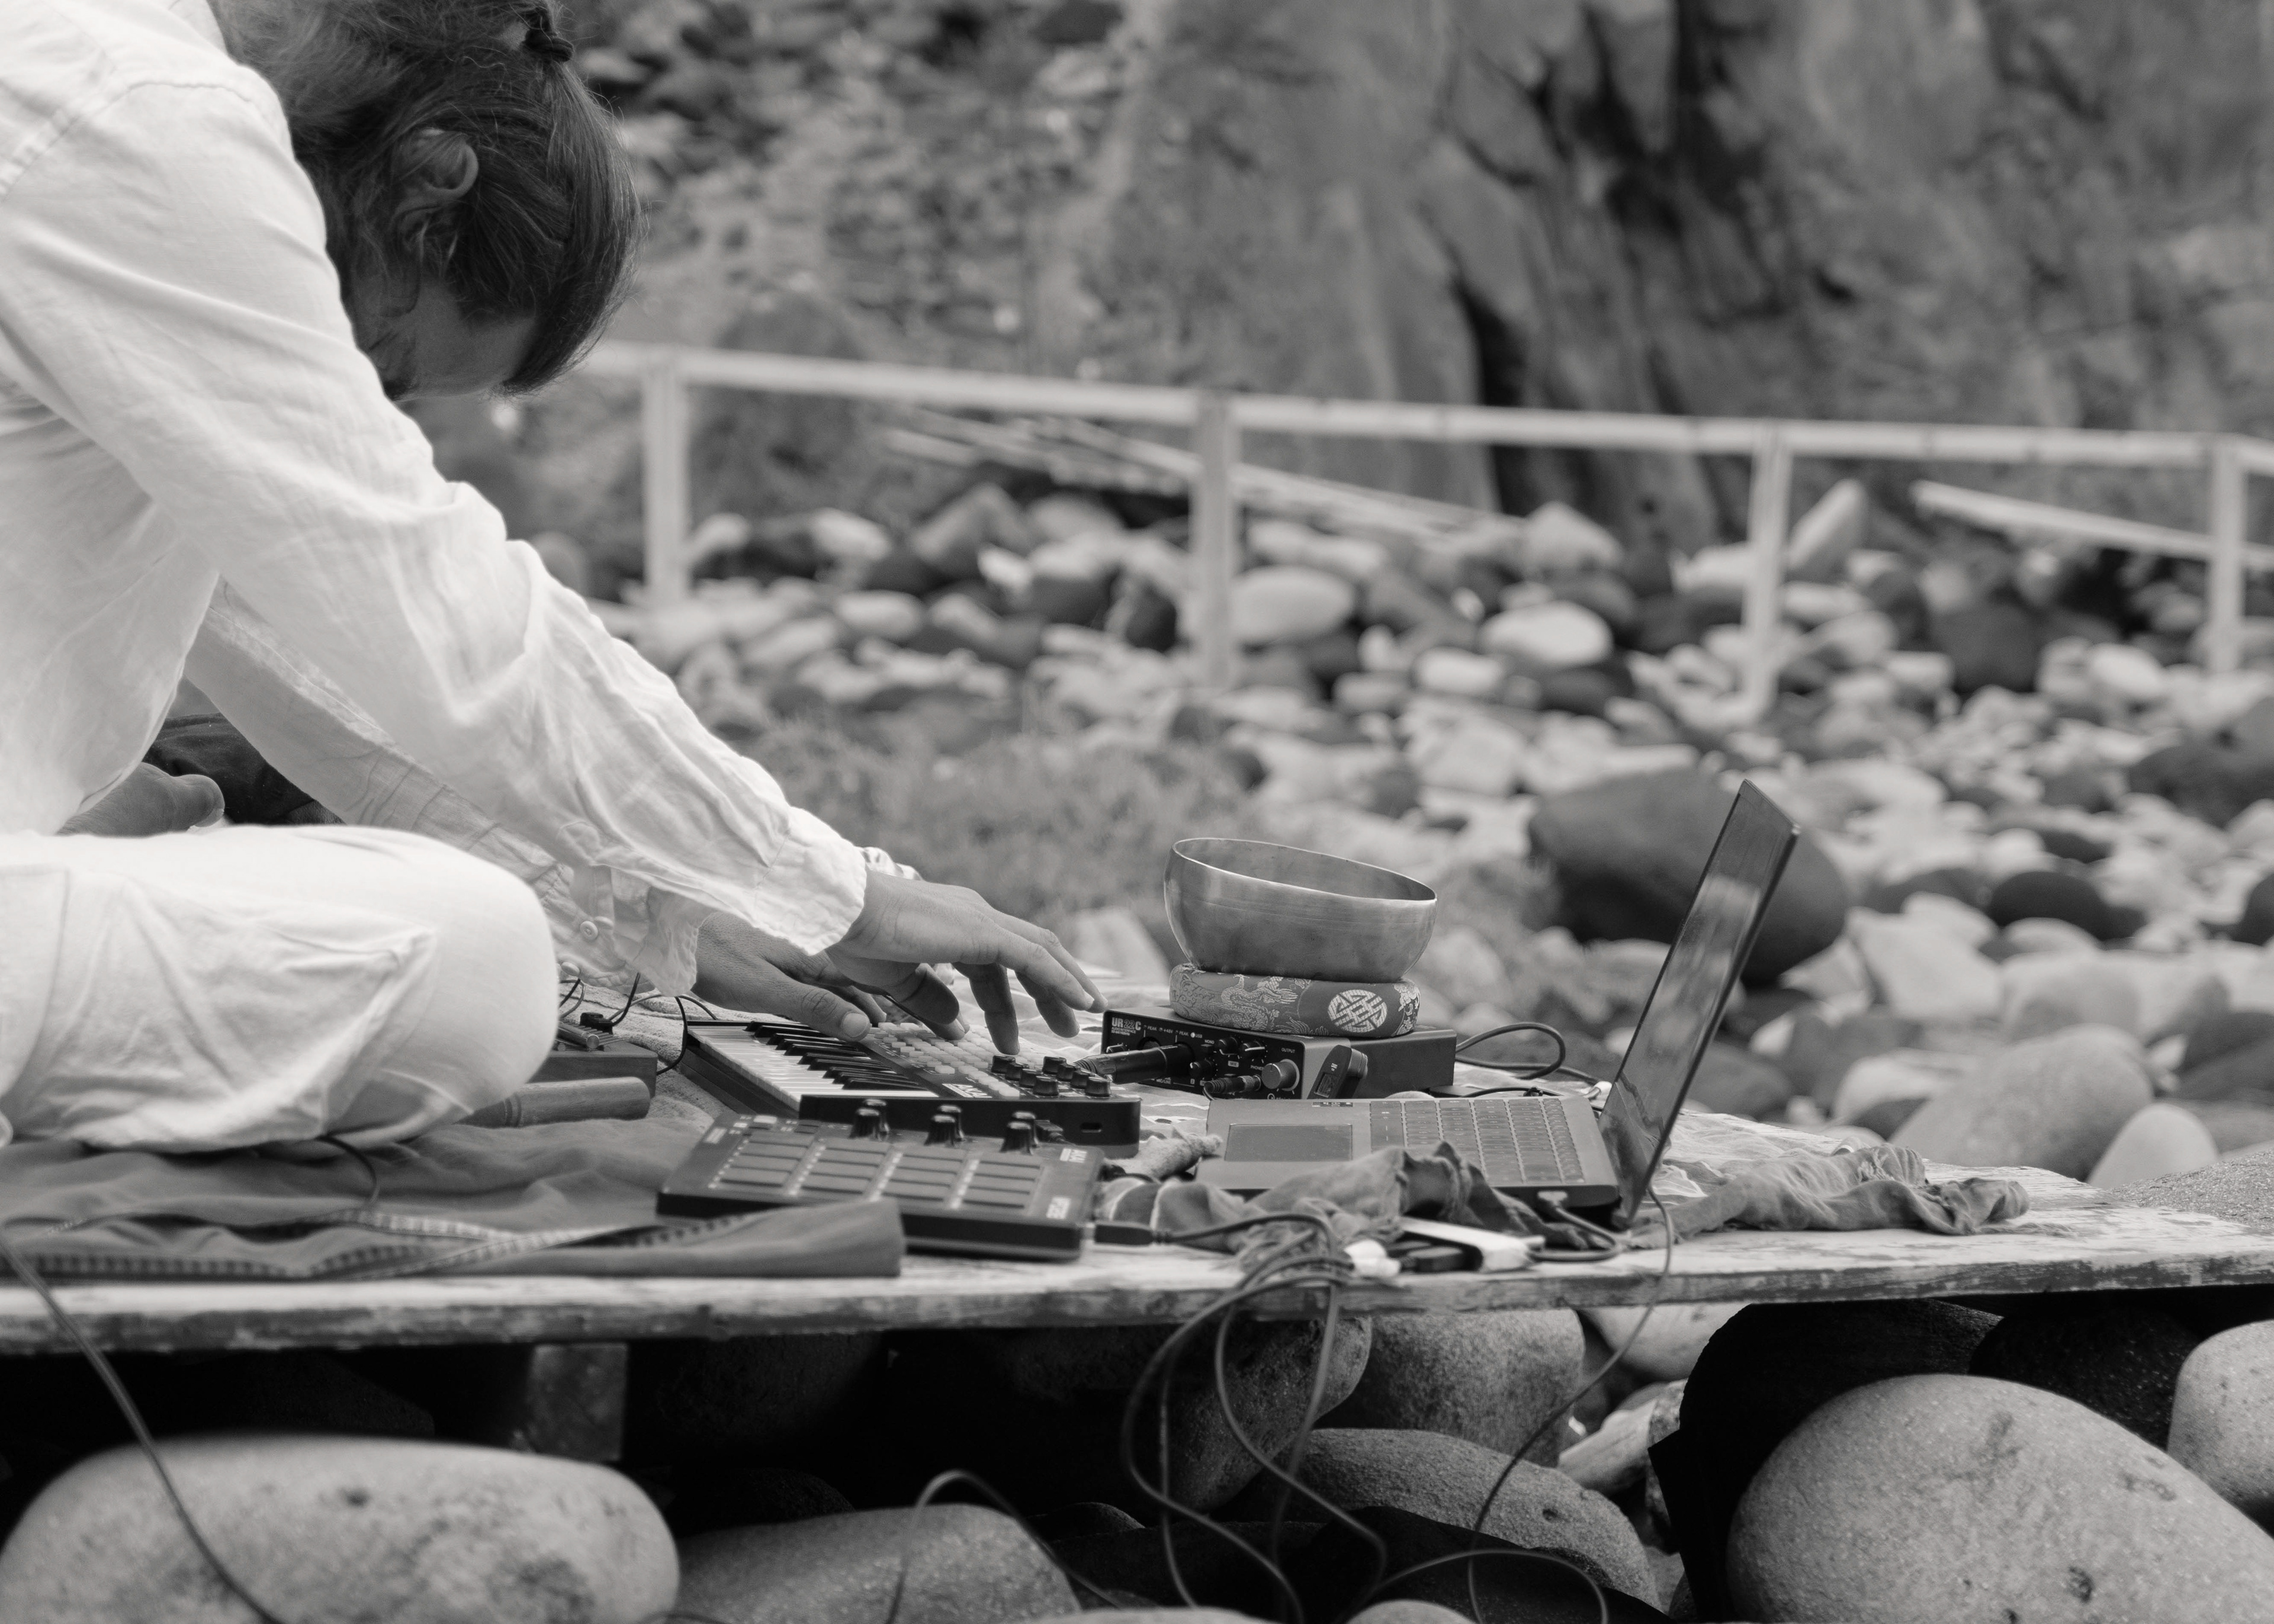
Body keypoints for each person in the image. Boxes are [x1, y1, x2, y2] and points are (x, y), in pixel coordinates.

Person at [0, 0, 1099, 1152]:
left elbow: (317, 646)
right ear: (428, 182)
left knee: (303, 866)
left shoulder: (100, 81)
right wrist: (831, 887)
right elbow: (439, 624)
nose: (366, 402)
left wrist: (679, 899)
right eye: (381, 360)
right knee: (479, 957)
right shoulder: (148, 118)